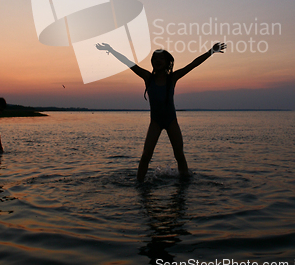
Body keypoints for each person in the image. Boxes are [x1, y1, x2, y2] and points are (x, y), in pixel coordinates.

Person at [96, 42, 226, 182]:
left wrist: (210, 52)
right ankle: (139, 182)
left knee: (179, 154)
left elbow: (192, 65)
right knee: (146, 155)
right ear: (151, 62)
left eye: (161, 58)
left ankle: (184, 180)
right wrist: (111, 49)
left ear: (167, 62)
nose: (158, 61)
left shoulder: (172, 78)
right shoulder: (148, 78)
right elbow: (128, 62)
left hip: (171, 122)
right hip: (155, 123)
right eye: (155, 59)